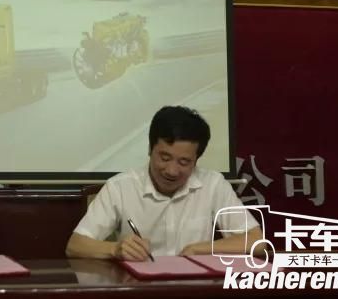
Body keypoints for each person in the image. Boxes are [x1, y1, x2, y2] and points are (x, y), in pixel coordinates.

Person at [66, 106, 264, 261]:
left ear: (196, 160)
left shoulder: (213, 184)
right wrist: (115, 249)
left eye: (184, 162)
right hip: (139, 289)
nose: (171, 171)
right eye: (164, 157)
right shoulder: (120, 187)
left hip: (193, 288)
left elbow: (256, 241)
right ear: (150, 149)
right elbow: (75, 245)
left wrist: (200, 249)